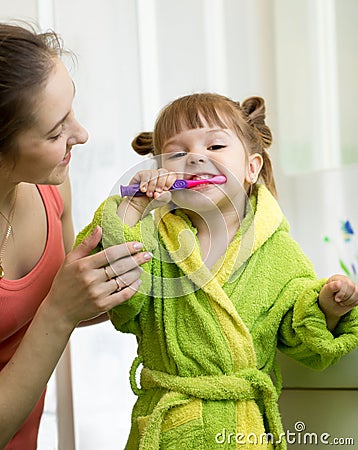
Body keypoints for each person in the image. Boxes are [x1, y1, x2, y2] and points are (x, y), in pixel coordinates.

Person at [75, 93, 358, 449]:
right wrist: (133, 206)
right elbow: (104, 278)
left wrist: (330, 308)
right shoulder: (153, 242)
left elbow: (296, 333)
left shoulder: (279, 252)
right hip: (167, 427)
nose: (194, 157)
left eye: (216, 145)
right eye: (177, 153)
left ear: (251, 168)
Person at [0, 22, 151, 449]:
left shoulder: (50, 185)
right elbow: (58, 310)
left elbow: (69, 299)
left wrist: (151, 258)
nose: (81, 135)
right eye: (55, 132)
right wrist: (60, 312)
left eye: (72, 112)